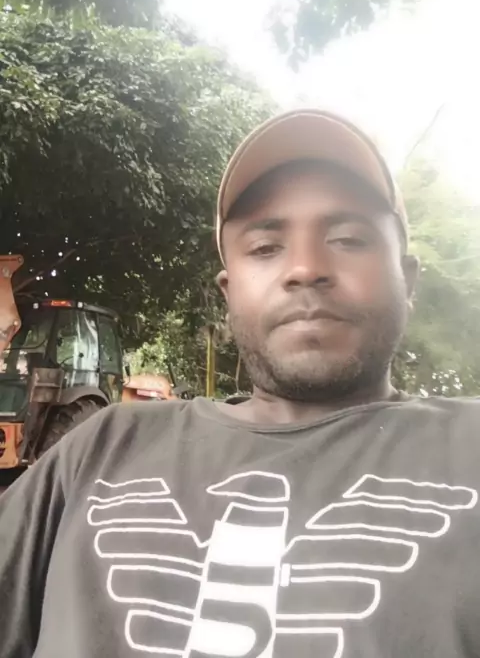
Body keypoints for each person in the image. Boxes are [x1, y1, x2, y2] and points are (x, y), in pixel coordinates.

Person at [1, 109, 479, 658]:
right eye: (266, 248)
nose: (305, 268)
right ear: (229, 294)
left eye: (349, 239)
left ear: (407, 279)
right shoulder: (99, 449)